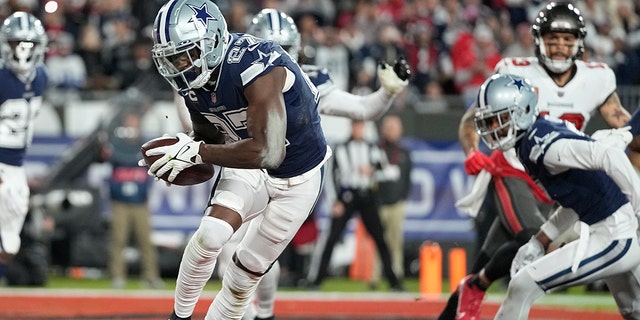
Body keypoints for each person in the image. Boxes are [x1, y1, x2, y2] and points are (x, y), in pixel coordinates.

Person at [170, 8, 410, 320]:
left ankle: (264, 314)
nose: (272, 56)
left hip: (292, 169)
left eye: (283, 49)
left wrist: (387, 93)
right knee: (216, 239)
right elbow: (202, 120)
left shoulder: (297, 74)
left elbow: (363, 109)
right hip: (247, 163)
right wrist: (188, 148)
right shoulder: (221, 73)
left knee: (251, 266)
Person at [440, 2, 634, 319]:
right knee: (529, 236)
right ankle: (480, 284)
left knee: (493, 253)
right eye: (553, 38)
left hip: (555, 178)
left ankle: (470, 291)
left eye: (567, 40)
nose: (559, 46)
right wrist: (472, 151)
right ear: (538, 40)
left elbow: (621, 123)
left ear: (579, 43)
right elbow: (472, 118)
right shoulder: (514, 71)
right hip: (514, 169)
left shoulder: (597, 77)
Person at [143, 1, 331, 319]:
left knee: (245, 273)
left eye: (185, 53)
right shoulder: (194, 81)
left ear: (213, 40)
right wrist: (184, 151)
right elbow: (210, 138)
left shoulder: (258, 63)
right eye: (171, 58)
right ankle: (179, 315)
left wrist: (198, 152)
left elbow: (269, 152)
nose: (179, 65)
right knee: (210, 235)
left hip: (296, 175)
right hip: (247, 162)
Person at [474, 73, 640, 320]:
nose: (493, 128)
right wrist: (541, 240)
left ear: (523, 110)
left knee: (523, 284)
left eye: (500, 119)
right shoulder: (532, 139)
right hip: (610, 230)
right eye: (489, 122)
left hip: (615, 235)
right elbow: (579, 198)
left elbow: (610, 156)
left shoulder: (542, 145)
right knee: (634, 312)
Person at [309, 119, 404, 291]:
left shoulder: (373, 148)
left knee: (381, 239)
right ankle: (316, 280)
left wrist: (372, 171)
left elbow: (388, 172)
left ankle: (394, 282)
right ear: (351, 127)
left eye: (361, 126)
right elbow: (331, 176)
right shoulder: (341, 147)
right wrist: (334, 201)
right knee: (331, 238)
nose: (358, 129)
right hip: (347, 197)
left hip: (368, 196)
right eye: (356, 125)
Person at [0, 12, 48, 283]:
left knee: (10, 244)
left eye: (28, 44)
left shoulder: (41, 77)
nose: (23, 51)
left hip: (16, 166)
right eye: (17, 43)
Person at [106, 111, 163, 289]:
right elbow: (106, 158)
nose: (132, 129)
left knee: (145, 241)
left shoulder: (144, 147)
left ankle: (151, 277)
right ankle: (117, 276)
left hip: (140, 202)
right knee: (118, 240)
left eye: (134, 125)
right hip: (120, 202)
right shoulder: (116, 147)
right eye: (129, 125)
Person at [370, 114, 413, 289]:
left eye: (394, 128)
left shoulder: (404, 153)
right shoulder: (375, 150)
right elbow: (370, 175)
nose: (391, 131)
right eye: (388, 127)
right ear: (383, 130)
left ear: (400, 130)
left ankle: (396, 275)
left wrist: (402, 198)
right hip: (379, 203)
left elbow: (408, 179)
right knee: (379, 242)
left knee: (395, 242)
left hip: (396, 204)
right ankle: (374, 277)